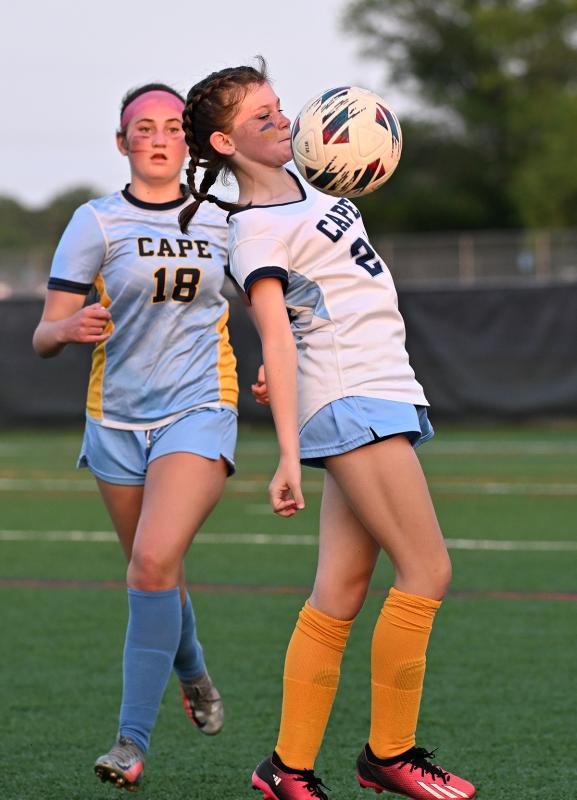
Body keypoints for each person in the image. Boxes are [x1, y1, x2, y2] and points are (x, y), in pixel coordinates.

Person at [178, 59, 476, 800]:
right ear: (223, 143)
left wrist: (290, 370)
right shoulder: (250, 233)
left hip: (368, 389)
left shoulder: (315, 184)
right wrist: (284, 454)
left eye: (278, 107)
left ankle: (285, 769)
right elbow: (273, 337)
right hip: (353, 399)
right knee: (427, 571)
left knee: (339, 591)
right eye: (261, 118)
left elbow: (306, 326)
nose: (282, 120)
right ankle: (389, 753)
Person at [33, 83, 238, 792]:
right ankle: (193, 668)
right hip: (114, 421)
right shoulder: (95, 221)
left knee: (152, 561)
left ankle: (130, 742)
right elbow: (43, 333)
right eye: (141, 129)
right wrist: (65, 328)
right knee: (157, 573)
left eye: (171, 127)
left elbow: (282, 301)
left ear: (190, 142)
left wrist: (282, 361)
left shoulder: (224, 219)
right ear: (122, 144)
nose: (157, 138)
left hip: (200, 407)